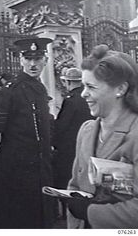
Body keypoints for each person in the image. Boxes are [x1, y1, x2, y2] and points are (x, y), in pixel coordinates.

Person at [0, 35, 55, 228]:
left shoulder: (39, 88)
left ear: (45, 60)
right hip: (15, 176)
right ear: (21, 60)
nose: (33, 64)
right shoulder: (10, 91)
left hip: (41, 171)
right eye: (28, 59)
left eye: (37, 59)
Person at [66, 45, 138, 229]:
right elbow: (74, 187)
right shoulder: (86, 130)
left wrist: (90, 212)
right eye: (83, 86)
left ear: (120, 89)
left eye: (91, 87)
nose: (83, 94)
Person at [52, 67, 93, 219]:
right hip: (88, 144)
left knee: (67, 179)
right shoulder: (88, 97)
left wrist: (54, 142)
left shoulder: (70, 101)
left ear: (67, 82)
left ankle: (67, 211)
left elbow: (61, 126)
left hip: (69, 148)